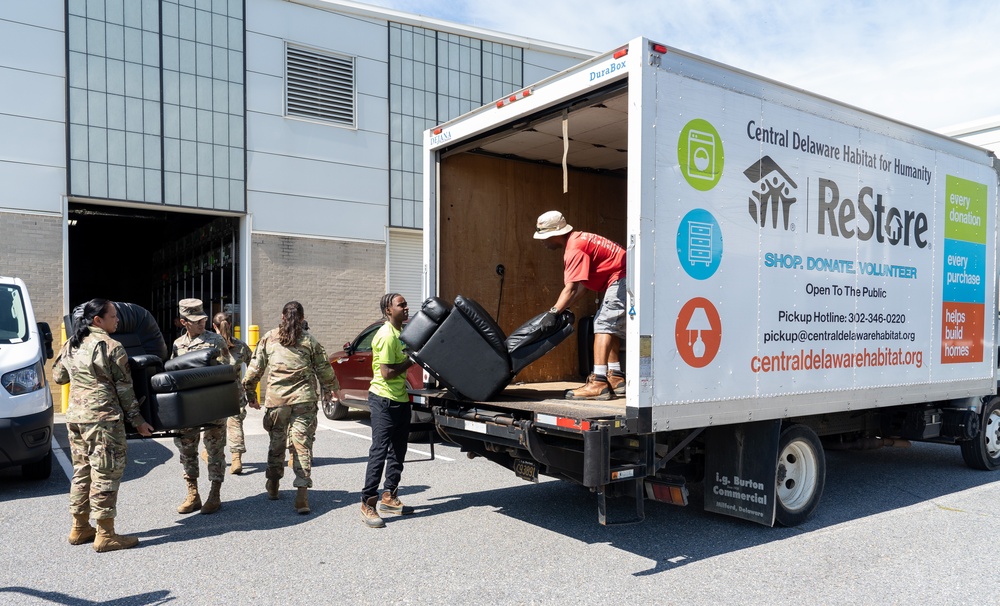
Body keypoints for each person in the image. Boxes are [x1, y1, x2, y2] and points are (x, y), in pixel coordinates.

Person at [53, 298, 154, 552]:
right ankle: (105, 534)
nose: (117, 320)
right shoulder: (111, 346)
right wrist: (139, 422)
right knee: (106, 473)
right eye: (113, 316)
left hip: (76, 418)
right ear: (98, 320)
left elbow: (59, 376)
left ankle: (79, 528)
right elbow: (125, 390)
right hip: (102, 419)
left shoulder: (71, 344)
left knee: (82, 471)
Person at [242, 301, 338, 514]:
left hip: (277, 401)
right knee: (302, 445)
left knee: (277, 443)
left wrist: (251, 395)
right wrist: (331, 390)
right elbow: (324, 369)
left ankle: (274, 486)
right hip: (304, 400)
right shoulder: (309, 340)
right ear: (302, 319)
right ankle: (302, 495)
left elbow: (253, 371)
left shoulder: (268, 338)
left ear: (282, 317)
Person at [534, 210, 627, 400]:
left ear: (556, 234)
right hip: (626, 277)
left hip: (623, 279)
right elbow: (583, 287)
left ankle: (598, 382)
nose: (542, 241)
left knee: (603, 325)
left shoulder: (574, 249)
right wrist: (563, 309)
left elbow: (570, 289)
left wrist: (553, 313)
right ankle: (616, 377)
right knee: (610, 326)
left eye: (544, 236)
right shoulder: (580, 240)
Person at [171, 298, 232, 515]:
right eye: (195, 321)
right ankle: (193, 494)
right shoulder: (178, 344)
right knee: (187, 450)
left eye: (203, 319)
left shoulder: (216, 341)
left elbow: (228, 372)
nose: (201, 323)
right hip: (188, 408)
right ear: (183, 321)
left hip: (211, 404)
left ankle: (214, 494)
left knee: (215, 449)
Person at [360, 293, 415, 528]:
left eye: (405, 303)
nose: (406, 307)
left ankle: (389, 497)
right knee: (380, 451)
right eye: (400, 304)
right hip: (383, 400)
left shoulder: (402, 334)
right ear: (388, 311)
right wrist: (411, 361)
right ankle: (367, 503)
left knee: (398, 451)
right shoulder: (385, 336)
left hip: (400, 399)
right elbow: (387, 373)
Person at [214, 312, 253, 475]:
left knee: (215, 425)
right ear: (230, 325)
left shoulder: (210, 346)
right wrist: (250, 392)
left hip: (214, 391)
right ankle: (236, 458)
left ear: (214, 326)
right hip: (235, 390)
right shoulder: (241, 346)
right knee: (235, 423)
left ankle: (214, 454)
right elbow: (254, 366)